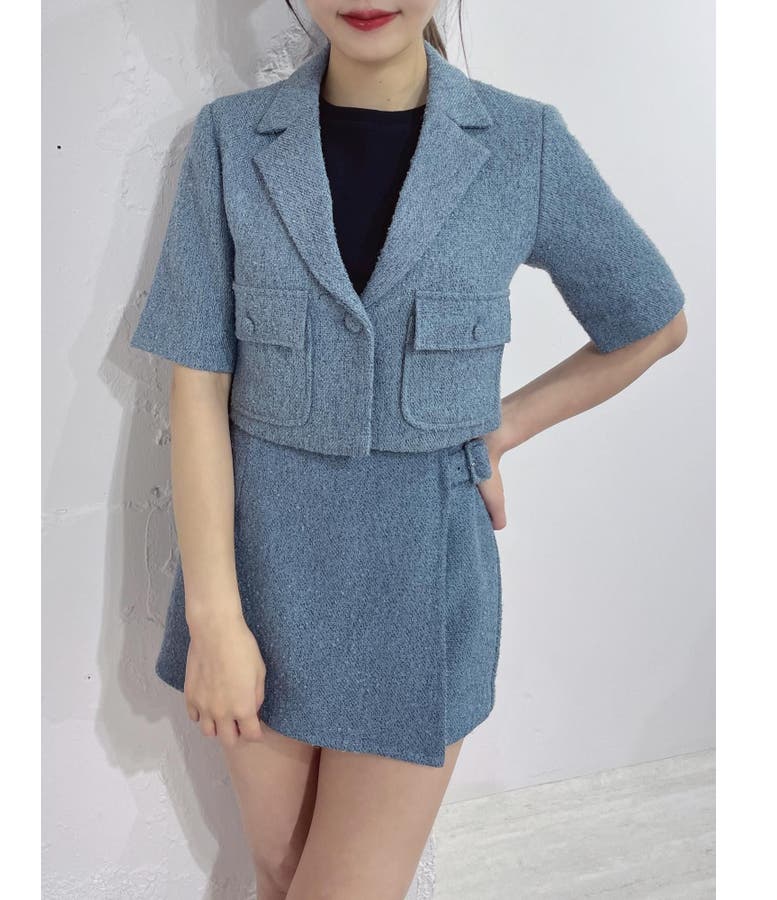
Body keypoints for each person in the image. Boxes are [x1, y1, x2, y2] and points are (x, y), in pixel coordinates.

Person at [129, 2, 688, 897]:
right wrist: (215, 621)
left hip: (422, 596)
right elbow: (195, 387)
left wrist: (505, 425)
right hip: (260, 581)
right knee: (280, 874)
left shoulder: (523, 145)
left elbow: (653, 321)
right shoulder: (232, 141)